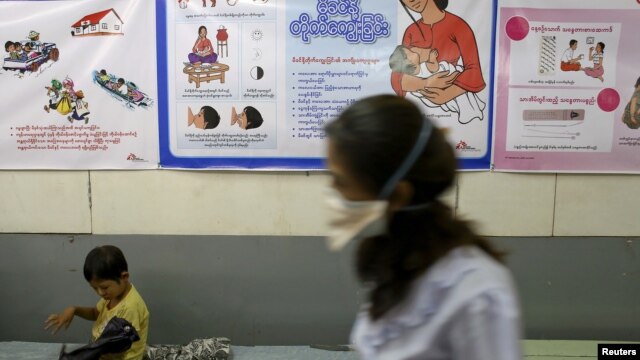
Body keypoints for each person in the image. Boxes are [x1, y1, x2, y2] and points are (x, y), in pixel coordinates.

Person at [324, 95, 522, 360]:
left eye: (341, 181)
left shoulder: (477, 292)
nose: (333, 191)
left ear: (398, 194)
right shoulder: (398, 261)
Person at [44, 245, 149, 360]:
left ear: (124, 277)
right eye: (95, 288)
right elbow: (95, 313)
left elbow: (119, 346)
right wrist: (74, 309)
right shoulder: (112, 295)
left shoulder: (130, 307)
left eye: (104, 287)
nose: (100, 293)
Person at [391, 0, 484, 106]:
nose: (411, 1)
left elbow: (474, 71)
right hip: (419, 105)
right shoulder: (411, 31)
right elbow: (397, 74)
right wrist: (425, 83)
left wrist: (447, 94)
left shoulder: (459, 25)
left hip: (450, 96)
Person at [389, 45, 486, 124]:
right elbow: (434, 69)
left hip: (440, 88)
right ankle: (470, 112)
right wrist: (432, 60)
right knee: (456, 76)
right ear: (407, 61)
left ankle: (473, 107)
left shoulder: (417, 70)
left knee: (458, 78)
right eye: (410, 52)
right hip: (435, 92)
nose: (414, 51)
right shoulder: (419, 70)